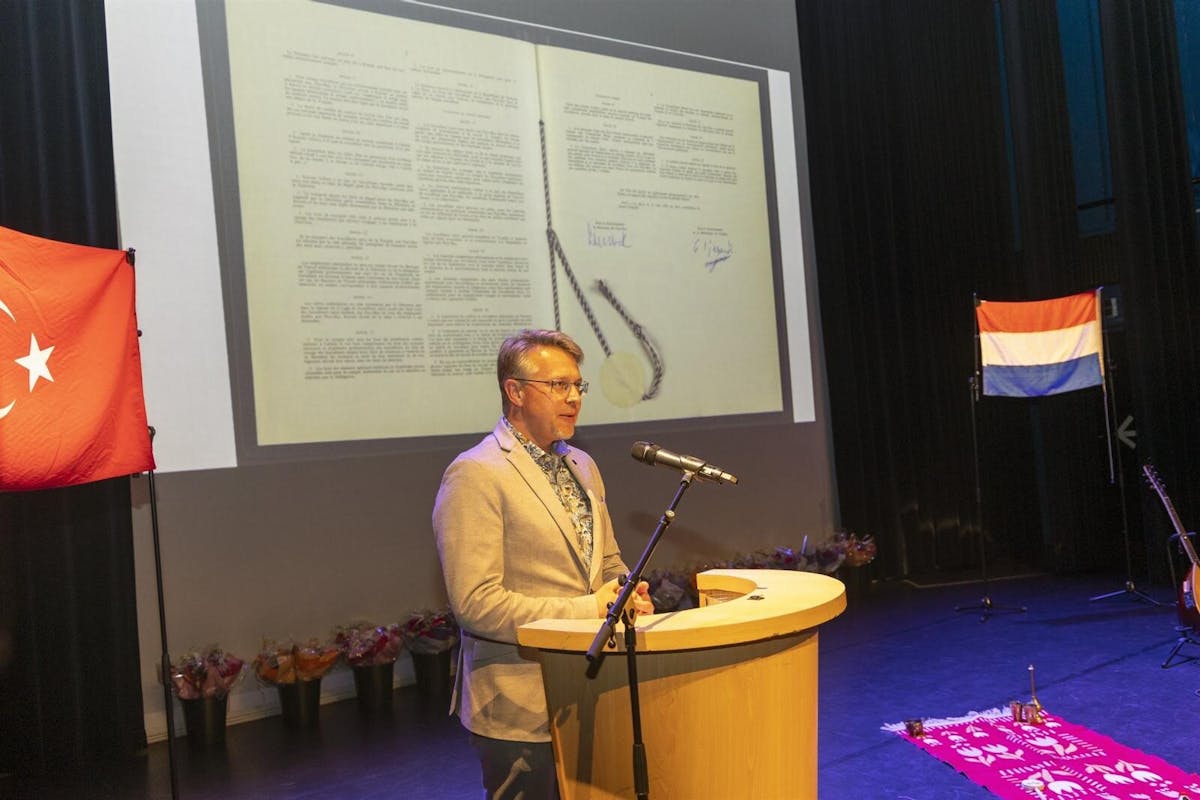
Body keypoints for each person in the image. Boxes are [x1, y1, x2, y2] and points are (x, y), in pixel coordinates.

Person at [433, 328, 653, 800]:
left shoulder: (583, 464)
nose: (574, 397)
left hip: (593, 691)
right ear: (514, 391)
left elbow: (606, 560)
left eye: (577, 385)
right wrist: (592, 609)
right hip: (519, 705)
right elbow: (476, 604)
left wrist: (625, 591)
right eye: (558, 385)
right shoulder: (475, 473)